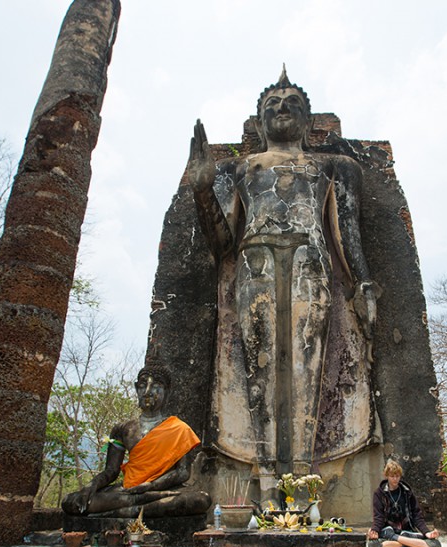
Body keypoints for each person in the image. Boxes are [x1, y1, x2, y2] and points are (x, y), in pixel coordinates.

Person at [189, 68, 379, 494]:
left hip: (310, 262)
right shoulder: (239, 168)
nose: (281, 107)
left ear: (310, 122)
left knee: (306, 365)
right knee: (260, 367)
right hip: (255, 262)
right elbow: (222, 244)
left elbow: (345, 234)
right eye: (272, 104)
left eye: (292, 102)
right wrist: (203, 187)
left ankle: (302, 473)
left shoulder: (335, 166)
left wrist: (364, 286)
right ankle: (268, 473)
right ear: (258, 123)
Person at [61, 362, 211, 518]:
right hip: (129, 490)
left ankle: (119, 512)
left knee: (200, 499)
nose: (148, 392)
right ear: (136, 388)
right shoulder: (123, 428)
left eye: (156, 386)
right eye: (142, 385)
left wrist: (151, 486)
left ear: (167, 392)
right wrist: (92, 485)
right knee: (70, 501)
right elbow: (111, 471)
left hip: (162, 489)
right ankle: (136, 509)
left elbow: (182, 472)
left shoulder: (179, 428)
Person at [367, 460, 441, 547]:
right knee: (373, 545)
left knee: (435, 545)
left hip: (406, 532)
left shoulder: (407, 492)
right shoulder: (379, 494)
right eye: (392, 476)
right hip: (388, 530)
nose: (395, 479)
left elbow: (416, 515)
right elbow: (379, 516)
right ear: (387, 476)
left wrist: (426, 532)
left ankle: (396, 539)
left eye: (397, 476)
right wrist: (375, 531)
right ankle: (409, 544)